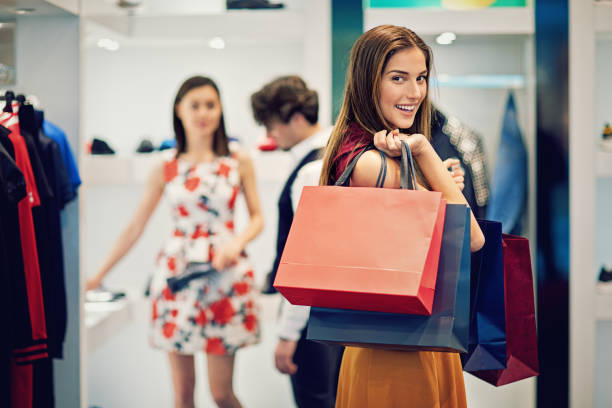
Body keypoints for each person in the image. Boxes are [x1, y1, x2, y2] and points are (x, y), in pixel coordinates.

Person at [318, 25, 486, 408]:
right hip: (397, 348)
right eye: (399, 78)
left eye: (421, 78)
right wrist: (426, 156)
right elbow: (473, 240)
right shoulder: (372, 164)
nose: (415, 93)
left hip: (408, 338)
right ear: (368, 82)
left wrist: (432, 178)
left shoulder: (361, 150)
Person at [87, 76, 264, 408]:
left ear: (220, 109)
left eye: (210, 105)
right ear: (179, 112)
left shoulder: (238, 161)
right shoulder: (166, 167)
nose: (203, 113)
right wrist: (98, 275)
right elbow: (135, 226)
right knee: (183, 393)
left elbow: (257, 218)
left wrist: (236, 243)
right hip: (177, 277)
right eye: (194, 105)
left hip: (224, 275)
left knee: (222, 393)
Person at [250, 75, 343, 408]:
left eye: (271, 124)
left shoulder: (310, 170)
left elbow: (308, 263)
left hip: (313, 319)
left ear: (297, 118)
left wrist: (288, 333)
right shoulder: (334, 153)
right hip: (332, 315)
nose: (269, 134)